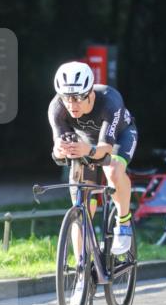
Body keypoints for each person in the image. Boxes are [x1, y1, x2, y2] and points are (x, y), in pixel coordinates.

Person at [49, 60, 138, 255]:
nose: (72, 105)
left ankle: (123, 223)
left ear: (90, 92)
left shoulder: (110, 100)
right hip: (86, 143)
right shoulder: (56, 108)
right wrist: (60, 150)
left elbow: (105, 148)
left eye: (78, 98)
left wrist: (87, 150)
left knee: (113, 169)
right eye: (66, 98)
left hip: (118, 137)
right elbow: (56, 151)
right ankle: (82, 269)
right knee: (81, 209)